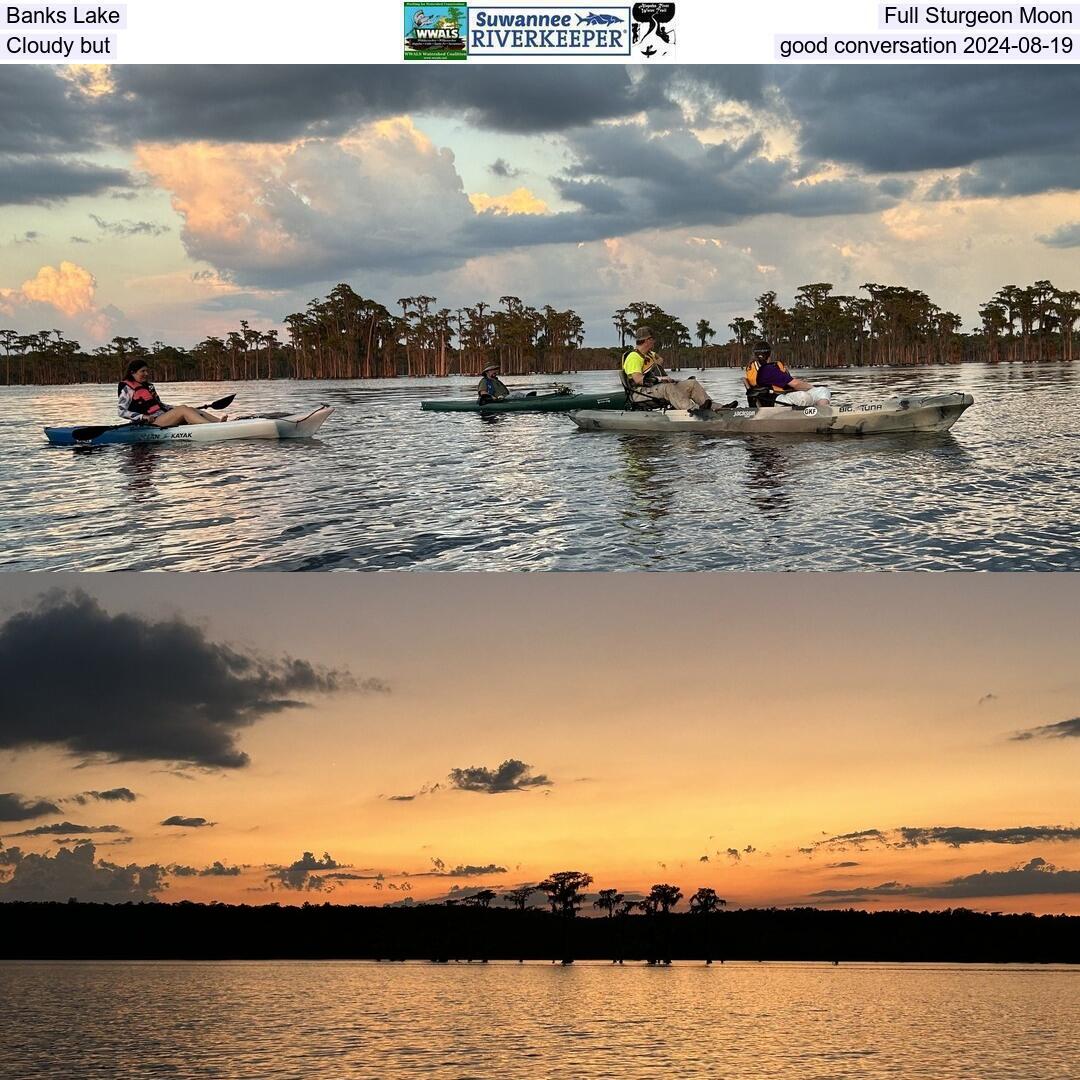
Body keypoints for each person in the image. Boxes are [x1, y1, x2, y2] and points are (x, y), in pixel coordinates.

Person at [621, 327, 725, 412]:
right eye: (653, 339)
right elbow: (638, 379)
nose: (654, 342)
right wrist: (661, 379)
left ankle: (715, 407)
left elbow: (660, 360)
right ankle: (694, 410)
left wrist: (655, 361)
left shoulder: (649, 354)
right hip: (640, 393)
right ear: (648, 340)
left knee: (692, 383)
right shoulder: (633, 357)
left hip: (656, 388)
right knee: (668, 387)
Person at [117, 361, 226, 426]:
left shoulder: (149, 387)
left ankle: (219, 423)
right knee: (183, 410)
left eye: (147, 371)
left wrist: (174, 408)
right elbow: (121, 411)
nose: (146, 374)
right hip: (148, 423)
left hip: (161, 417)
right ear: (132, 373)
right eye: (143, 371)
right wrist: (143, 417)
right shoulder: (127, 388)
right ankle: (210, 427)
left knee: (187, 408)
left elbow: (160, 405)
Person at [743, 341, 831, 408]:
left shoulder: (752, 368)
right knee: (806, 396)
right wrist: (813, 388)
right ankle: (821, 417)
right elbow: (796, 384)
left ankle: (822, 414)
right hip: (774, 401)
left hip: (773, 399)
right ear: (769, 354)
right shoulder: (768, 369)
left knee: (822, 390)